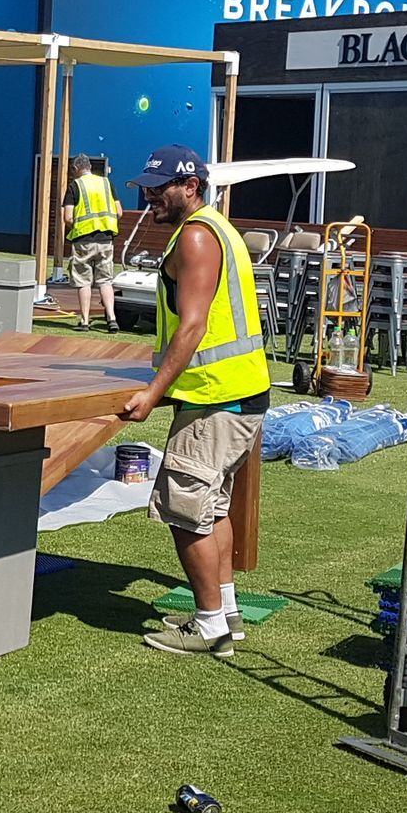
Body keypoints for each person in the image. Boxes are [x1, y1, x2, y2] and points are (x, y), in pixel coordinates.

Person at [117, 143, 270, 657]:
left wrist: (151, 392)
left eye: (159, 188)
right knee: (213, 508)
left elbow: (194, 325)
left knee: (185, 512)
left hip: (215, 400)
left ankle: (208, 627)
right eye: (146, 188)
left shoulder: (198, 238)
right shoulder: (217, 228)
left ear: (191, 186)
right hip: (235, 393)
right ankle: (224, 612)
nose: (150, 198)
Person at [61, 154, 122, 331]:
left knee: (83, 281)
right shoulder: (106, 183)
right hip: (106, 239)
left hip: (83, 240)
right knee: (105, 281)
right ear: (90, 166)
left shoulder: (75, 186)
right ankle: (111, 319)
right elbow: (119, 212)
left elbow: (68, 217)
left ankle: (85, 321)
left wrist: (81, 223)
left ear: (75, 169)